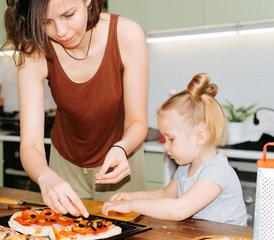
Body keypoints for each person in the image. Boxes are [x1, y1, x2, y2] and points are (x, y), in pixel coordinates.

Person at [1, 0, 148, 218]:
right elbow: (30, 144)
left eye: (69, 15)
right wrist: (45, 177)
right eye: (45, 21)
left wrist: (122, 148)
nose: (60, 32)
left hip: (120, 159)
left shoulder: (127, 35)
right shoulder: (35, 51)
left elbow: (137, 122)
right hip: (64, 165)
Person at [102, 73, 248, 226]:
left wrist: (131, 206)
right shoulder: (186, 167)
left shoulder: (217, 171)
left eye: (171, 138)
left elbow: (180, 209)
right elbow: (165, 194)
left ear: (200, 137)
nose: (166, 145)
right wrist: (133, 197)